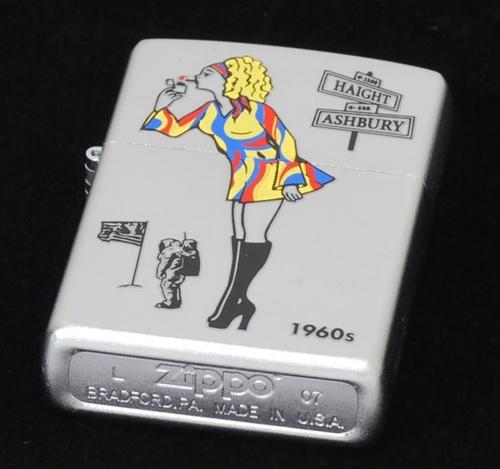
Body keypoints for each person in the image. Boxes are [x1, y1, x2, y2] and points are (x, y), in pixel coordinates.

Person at [142, 56, 334, 330]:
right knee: (240, 237)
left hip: (270, 173)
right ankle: (241, 301)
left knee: (253, 236)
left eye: (208, 72)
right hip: (243, 176)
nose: (199, 75)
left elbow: (286, 143)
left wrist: (290, 180)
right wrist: (161, 106)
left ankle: (231, 302)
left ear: (229, 80)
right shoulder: (209, 110)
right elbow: (175, 129)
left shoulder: (258, 110)